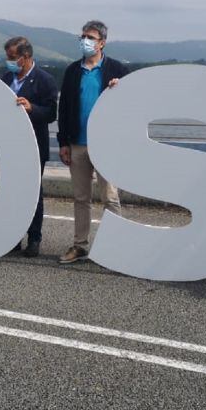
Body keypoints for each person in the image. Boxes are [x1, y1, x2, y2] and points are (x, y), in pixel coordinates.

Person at [56, 20, 128, 264]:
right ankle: (80, 246)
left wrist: (120, 89)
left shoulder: (117, 69)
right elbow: (64, 108)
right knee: (80, 198)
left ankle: (118, 247)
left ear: (102, 43)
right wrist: (63, 142)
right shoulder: (72, 71)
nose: (85, 40)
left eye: (90, 37)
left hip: (106, 144)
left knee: (110, 197)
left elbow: (130, 107)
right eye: (83, 36)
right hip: (77, 143)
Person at [1, 36, 58, 257]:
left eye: (12, 57)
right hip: (9, 145)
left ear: (25, 58)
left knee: (33, 193)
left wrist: (32, 108)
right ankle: (13, 236)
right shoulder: (6, 77)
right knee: (10, 191)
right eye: (7, 57)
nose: (9, 61)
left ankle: (34, 238)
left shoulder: (44, 80)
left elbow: (51, 114)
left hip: (34, 145)